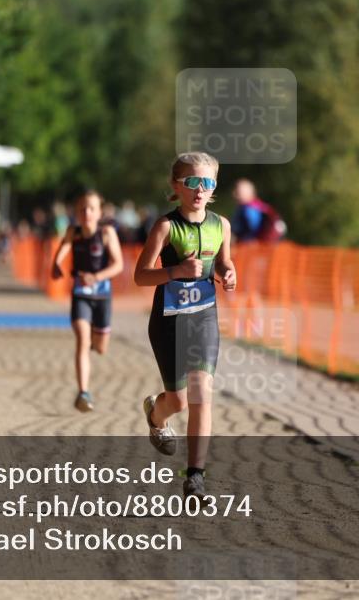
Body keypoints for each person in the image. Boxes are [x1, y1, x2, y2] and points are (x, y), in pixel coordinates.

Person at [134, 152, 236, 501]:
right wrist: (175, 272)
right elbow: (140, 275)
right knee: (177, 401)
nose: (200, 190)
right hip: (169, 321)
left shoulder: (221, 225)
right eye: (192, 182)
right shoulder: (165, 226)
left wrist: (228, 274)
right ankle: (155, 414)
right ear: (176, 186)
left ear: (214, 189)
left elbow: (223, 263)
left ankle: (195, 478)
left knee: (201, 395)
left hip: (204, 318)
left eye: (207, 183)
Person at [51, 191, 124, 412]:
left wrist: (97, 277)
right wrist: (56, 263)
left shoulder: (107, 232)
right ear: (76, 212)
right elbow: (64, 246)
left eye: (91, 208)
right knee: (82, 339)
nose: (87, 213)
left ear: (99, 212)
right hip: (80, 294)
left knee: (100, 348)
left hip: (102, 296)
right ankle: (83, 392)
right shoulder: (73, 231)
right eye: (82, 208)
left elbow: (118, 265)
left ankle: (95, 337)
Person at [231, 178, 285, 243]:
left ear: (248, 193)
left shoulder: (248, 210)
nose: (234, 195)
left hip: (253, 247)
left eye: (237, 192)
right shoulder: (261, 206)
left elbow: (251, 230)